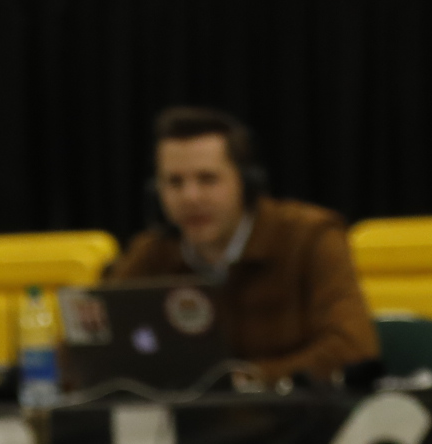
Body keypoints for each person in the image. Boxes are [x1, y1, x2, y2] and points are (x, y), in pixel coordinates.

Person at [105, 106, 376, 387]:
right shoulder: (151, 252)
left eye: (207, 179)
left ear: (246, 183)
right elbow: (89, 351)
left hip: (296, 420)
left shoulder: (310, 237)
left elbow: (354, 348)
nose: (190, 197)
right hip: (189, 426)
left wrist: (246, 380)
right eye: (175, 182)